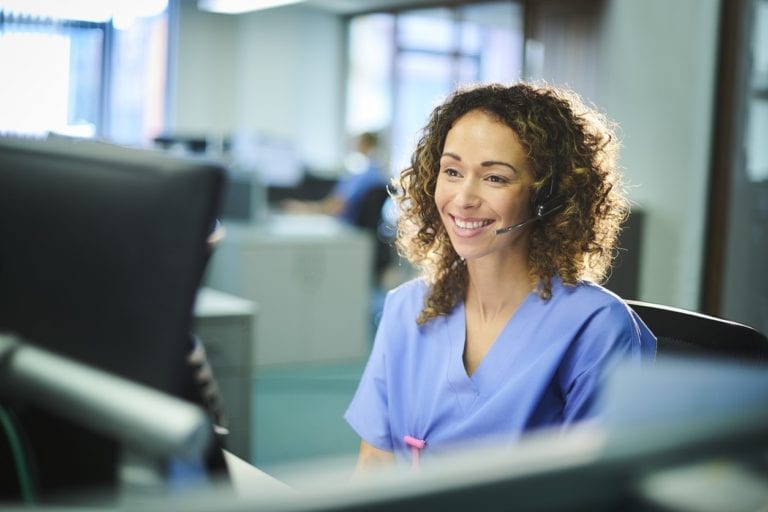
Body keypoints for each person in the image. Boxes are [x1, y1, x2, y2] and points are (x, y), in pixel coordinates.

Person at [343, 82, 657, 472]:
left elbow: (599, 491)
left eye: (495, 178)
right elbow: (375, 459)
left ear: (548, 195)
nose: (463, 198)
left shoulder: (596, 328)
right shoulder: (406, 307)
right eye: (452, 171)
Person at [281, 131, 388, 225]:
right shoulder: (376, 173)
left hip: (347, 228)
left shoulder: (362, 177)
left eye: (356, 142)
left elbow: (337, 206)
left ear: (364, 144)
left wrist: (306, 209)